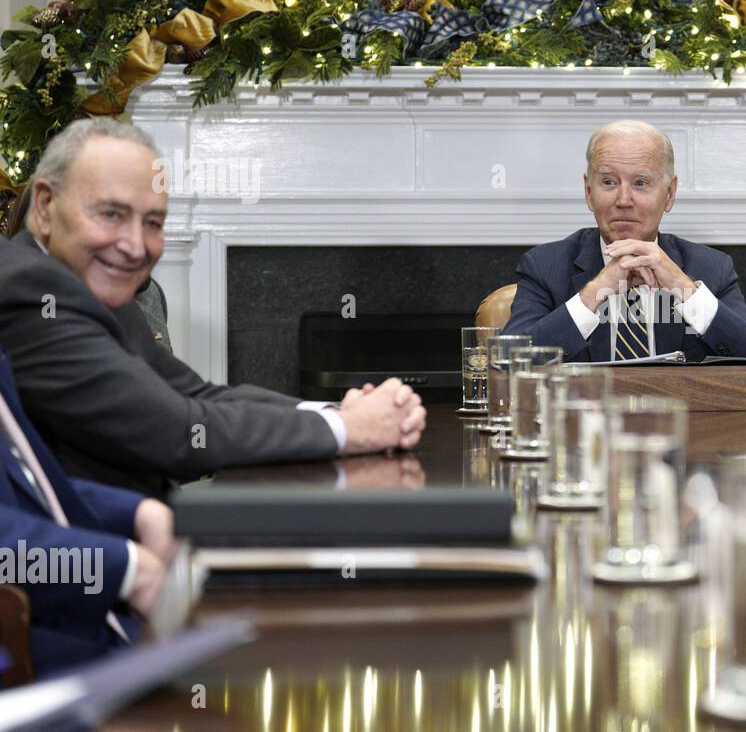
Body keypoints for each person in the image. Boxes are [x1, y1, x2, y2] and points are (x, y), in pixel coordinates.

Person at [0, 118, 427, 497]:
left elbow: (195, 394)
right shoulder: (30, 290)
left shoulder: (86, 281)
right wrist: (351, 430)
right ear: (44, 206)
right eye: (111, 214)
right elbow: (175, 431)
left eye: (153, 223)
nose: (135, 246)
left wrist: (338, 412)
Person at [503, 120, 746, 363]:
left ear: (669, 194)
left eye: (640, 183)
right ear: (589, 192)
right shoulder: (544, 266)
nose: (623, 200)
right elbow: (506, 365)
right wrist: (595, 291)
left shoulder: (711, 268)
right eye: (609, 182)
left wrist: (685, 289)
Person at [0, 345, 176, 679]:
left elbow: (25, 483)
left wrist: (137, 511)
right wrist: (126, 566)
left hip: (84, 635)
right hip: (33, 672)